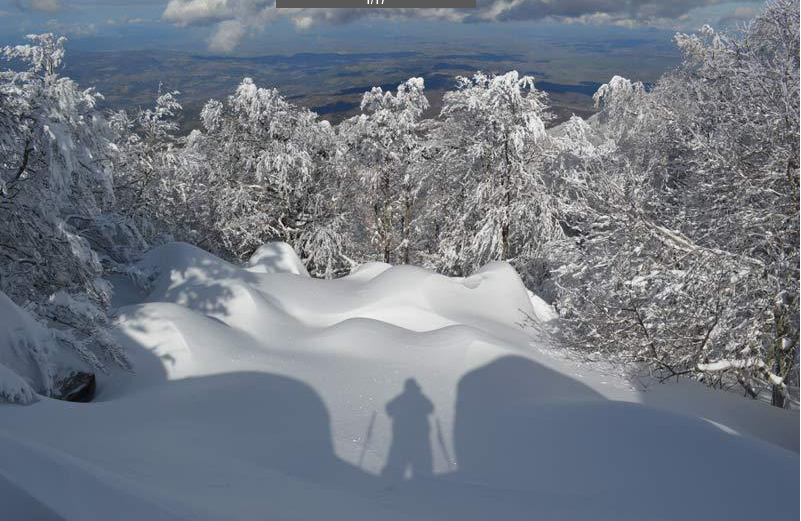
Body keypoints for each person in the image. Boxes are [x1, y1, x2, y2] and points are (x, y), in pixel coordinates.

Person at [381, 378, 434, 481]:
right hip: (417, 439)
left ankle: (392, 484)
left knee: (398, 466)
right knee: (421, 468)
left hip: (404, 439)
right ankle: (422, 485)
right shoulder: (420, 398)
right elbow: (431, 408)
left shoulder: (402, 399)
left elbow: (389, 409)